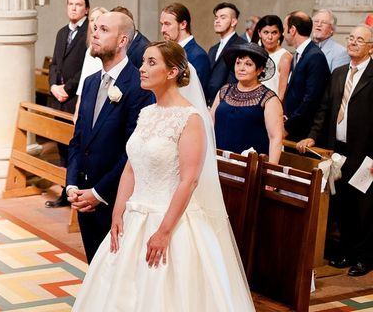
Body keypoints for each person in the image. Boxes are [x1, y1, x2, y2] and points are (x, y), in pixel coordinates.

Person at [72, 41, 255, 311]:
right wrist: (118, 211)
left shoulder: (190, 119)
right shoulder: (147, 113)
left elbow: (189, 180)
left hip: (171, 220)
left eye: (151, 63)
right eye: (143, 61)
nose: (142, 69)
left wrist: (164, 231)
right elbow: (132, 166)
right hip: (135, 217)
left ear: (171, 72)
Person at [66, 11, 153, 262]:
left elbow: (133, 151)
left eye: (104, 29)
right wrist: (73, 184)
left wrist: (98, 192)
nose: (94, 33)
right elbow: (78, 139)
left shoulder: (139, 86)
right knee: (94, 268)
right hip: (84, 197)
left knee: (116, 275)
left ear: (123, 40)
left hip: (115, 199)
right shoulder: (92, 82)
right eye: (95, 28)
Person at [296, 25, 373, 277]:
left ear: (371, 47)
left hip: (365, 152)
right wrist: (312, 136)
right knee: (341, 205)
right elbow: (324, 110)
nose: (353, 43)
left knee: (363, 207)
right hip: (337, 150)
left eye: (360, 40)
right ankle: (347, 252)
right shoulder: (339, 73)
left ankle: (364, 258)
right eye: (351, 38)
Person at [46, 0, 90, 208]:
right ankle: (64, 189)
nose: (73, 8)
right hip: (58, 96)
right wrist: (53, 86)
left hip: (73, 97)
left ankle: (71, 189)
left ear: (86, 9)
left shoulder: (88, 33)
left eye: (79, 4)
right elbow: (54, 63)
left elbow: (85, 68)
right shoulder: (62, 32)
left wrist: (67, 88)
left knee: (72, 146)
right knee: (61, 147)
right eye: (70, 3)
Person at [210, 42, 283, 164]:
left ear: (260, 70)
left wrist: (271, 170)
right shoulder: (224, 91)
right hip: (218, 160)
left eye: (248, 64)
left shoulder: (269, 99)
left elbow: (275, 138)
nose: (241, 68)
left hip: (250, 167)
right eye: (238, 63)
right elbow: (210, 124)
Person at [283, 11, 331, 140]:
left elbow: (311, 99)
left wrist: (288, 126)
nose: (283, 33)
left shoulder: (315, 56)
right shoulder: (299, 54)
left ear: (292, 30)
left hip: (303, 132)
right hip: (293, 127)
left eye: (284, 29)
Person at [160, 2, 210, 88]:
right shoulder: (166, 51)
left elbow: (197, 93)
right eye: (162, 24)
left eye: (167, 24)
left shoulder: (198, 56)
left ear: (183, 24)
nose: (162, 30)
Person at [206, 2, 246, 106]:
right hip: (208, 104)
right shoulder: (213, 49)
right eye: (216, 18)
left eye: (223, 18)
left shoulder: (241, 46)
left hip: (228, 104)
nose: (217, 21)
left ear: (233, 22)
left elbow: (236, 81)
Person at [74, 6, 108, 122]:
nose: (94, 23)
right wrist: (77, 108)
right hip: (88, 98)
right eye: (92, 20)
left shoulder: (109, 49)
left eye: (98, 18)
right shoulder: (90, 50)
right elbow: (83, 79)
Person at [251, 15, 293, 100]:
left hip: (272, 107)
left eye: (274, 33)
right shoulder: (255, 54)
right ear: (259, 33)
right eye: (266, 32)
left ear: (280, 34)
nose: (270, 37)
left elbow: (282, 94)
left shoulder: (285, 57)